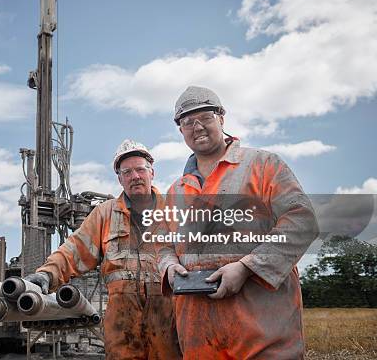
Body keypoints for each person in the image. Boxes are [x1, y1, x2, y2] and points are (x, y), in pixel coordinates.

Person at [156, 86, 319, 359]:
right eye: (187, 122)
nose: (197, 127)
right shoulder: (176, 191)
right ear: (180, 130)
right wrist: (169, 266)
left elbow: (302, 221)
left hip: (263, 332)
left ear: (221, 118)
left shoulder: (262, 165)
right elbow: (163, 243)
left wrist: (247, 267)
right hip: (199, 339)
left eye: (205, 117)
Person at [25, 139, 182, 360]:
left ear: (152, 173)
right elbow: (75, 249)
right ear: (120, 179)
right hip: (123, 324)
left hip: (168, 318)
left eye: (140, 169)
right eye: (127, 172)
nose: (135, 176)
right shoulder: (105, 214)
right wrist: (46, 274)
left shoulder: (173, 210)